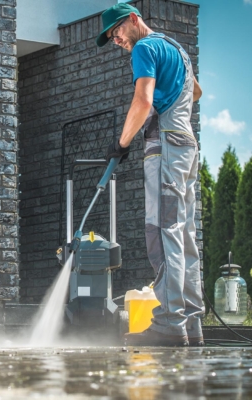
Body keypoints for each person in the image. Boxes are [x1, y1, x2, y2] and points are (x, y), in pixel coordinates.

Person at [96, 3, 204, 346]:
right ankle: (191, 323)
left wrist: (122, 143)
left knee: (163, 231)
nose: (117, 40)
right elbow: (196, 92)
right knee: (183, 234)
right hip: (186, 144)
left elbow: (142, 101)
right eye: (112, 37)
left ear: (132, 19)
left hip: (167, 146)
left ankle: (170, 323)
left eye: (117, 32)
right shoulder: (177, 50)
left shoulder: (144, 47)